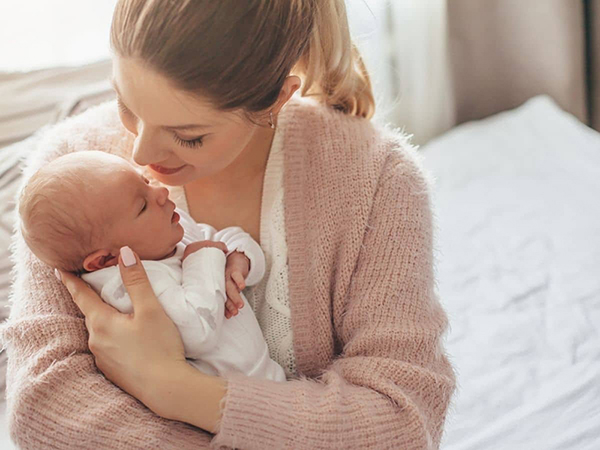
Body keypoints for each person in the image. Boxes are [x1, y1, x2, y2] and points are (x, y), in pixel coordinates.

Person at [2, 0, 456, 448]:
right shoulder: (71, 173)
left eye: (188, 136)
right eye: (126, 104)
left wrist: (173, 389)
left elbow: (401, 421)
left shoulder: (377, 179)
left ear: (277, 97)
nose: (140, 155)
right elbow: (43, 405)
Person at [17, 150, 286, 382]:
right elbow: (198, 332)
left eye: (145, 181)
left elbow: (226, 237)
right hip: (225, 400)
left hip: (267, 376)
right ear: (105, 260)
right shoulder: (126, 288)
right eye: (142, 206)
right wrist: (203, 257)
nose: (160, 192)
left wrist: (239, 258)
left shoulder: (169, 234)